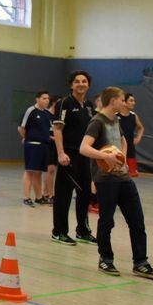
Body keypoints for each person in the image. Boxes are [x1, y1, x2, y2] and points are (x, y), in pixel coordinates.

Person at [80, 87, 153, 280]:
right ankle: (105, 259)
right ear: (114, 101)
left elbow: (123, 141)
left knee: (137, 221)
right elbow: (84, 148)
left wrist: (121, 156)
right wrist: (104, 157)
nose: (125, 103)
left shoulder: (116, 120)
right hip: (106, 181)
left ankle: (140, 262)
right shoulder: (97, 122)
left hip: (124, 179)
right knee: (107, 221)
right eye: (123, 100)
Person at [51, 71, 96, 246]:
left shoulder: (90, 106)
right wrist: (61, 153)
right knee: (63, 195)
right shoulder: (64, 103)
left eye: (84, 81)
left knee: (85, 194)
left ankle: (83, 231)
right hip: (68, 156)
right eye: (77, 81)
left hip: (85, 156)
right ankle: (59, 232)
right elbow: (58, 129)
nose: (81, 84)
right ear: (71, 85)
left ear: (88, 85)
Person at [18, 91, 52, 207]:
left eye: (48, 98)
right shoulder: (31, 111)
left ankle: (39, 197)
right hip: (32, 145)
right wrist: (27, 138)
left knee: (39, 172)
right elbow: (21, 128)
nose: (46, 100)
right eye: (44, 98)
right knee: (30, 171)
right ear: (37, 99)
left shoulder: (48, 114)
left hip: (44, 146)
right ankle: (26, 197)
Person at [119, 93, 145, 177]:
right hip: (118, 149)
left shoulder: (134, 116)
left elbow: (141, 128)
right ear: (124, 102)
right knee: (117, 174)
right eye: (131, 100)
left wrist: (138, 138)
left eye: (134, 101)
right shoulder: (115, 116)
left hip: (130, 150)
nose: (133, 103)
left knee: (132, 175)